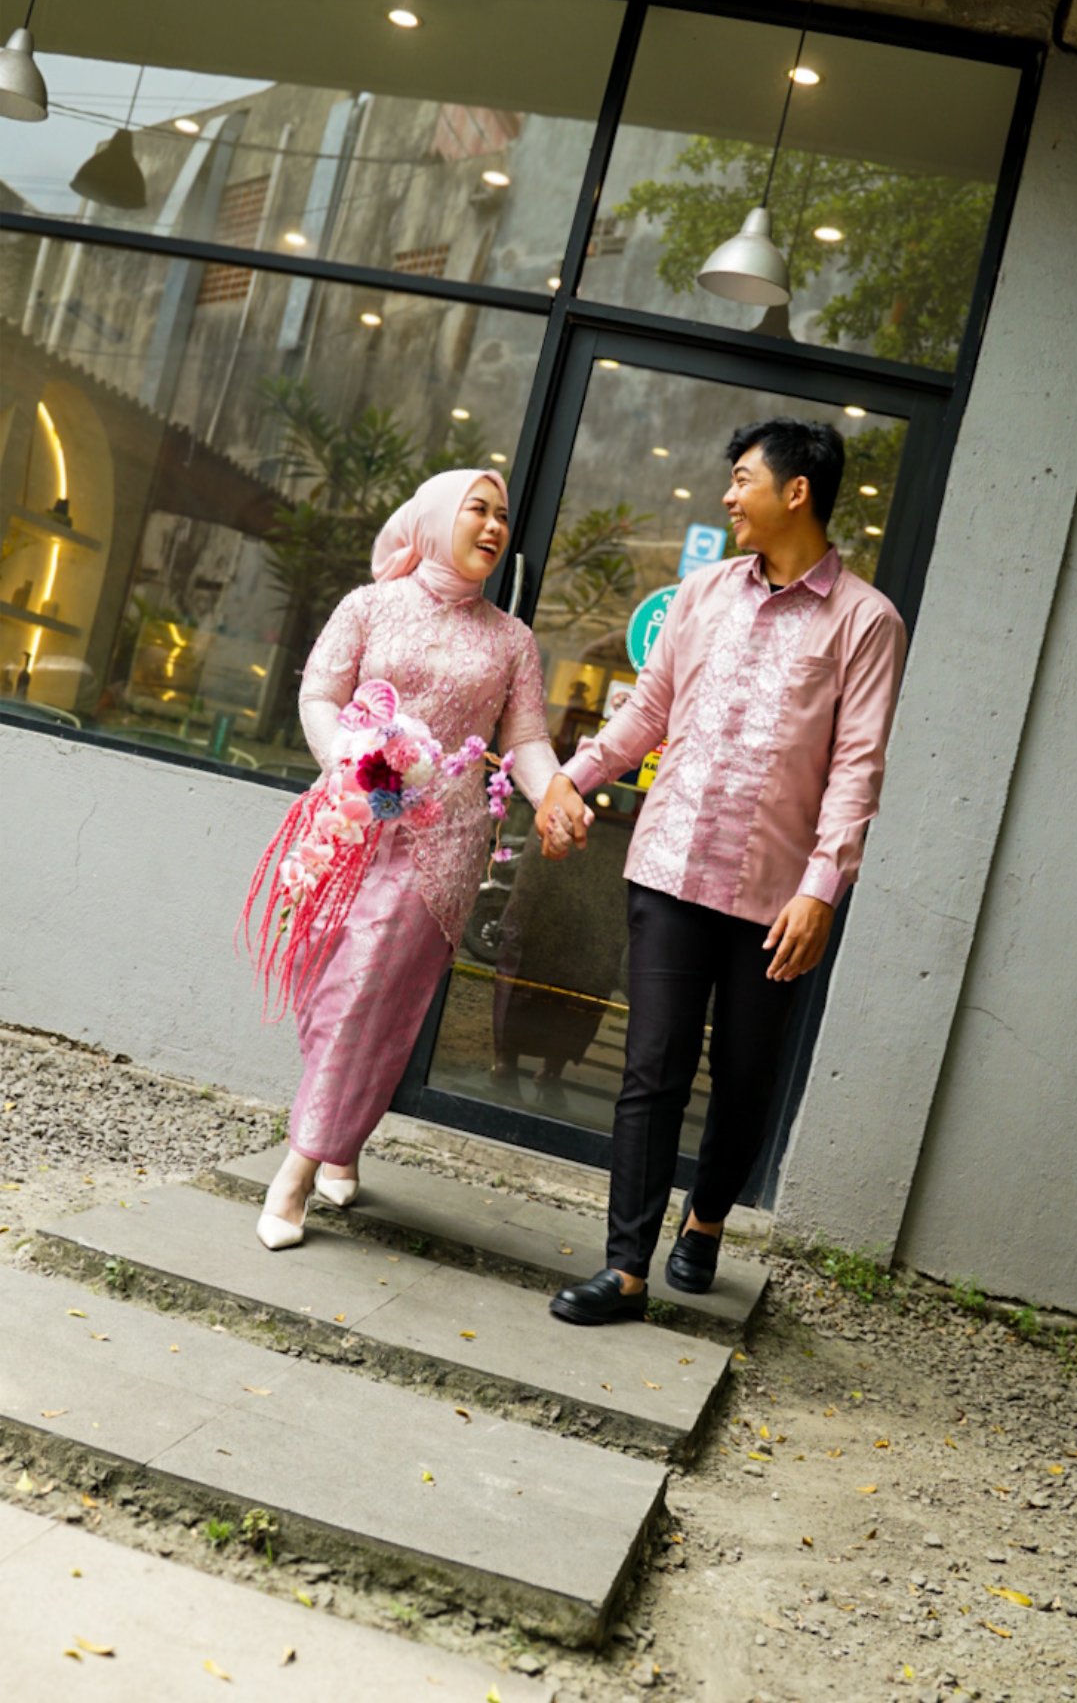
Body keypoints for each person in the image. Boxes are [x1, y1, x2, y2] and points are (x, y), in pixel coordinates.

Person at [535, 418, 907, 1325]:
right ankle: (625, 1270)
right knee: (651, 1066)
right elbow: (646, 713)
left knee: (743, 1076)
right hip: (668, 868)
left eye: (742, 479)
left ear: (795, 491)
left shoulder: (865, 621)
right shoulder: (701, 592)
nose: (728, 496)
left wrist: (822, 889)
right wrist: (569, 779)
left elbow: (857, 767)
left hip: (777, 896)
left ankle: (704, 1221)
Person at [253, 467, 576, 1250]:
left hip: (442, 845)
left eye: (502, 516)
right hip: (348, 824)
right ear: (433, 518)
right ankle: (343, 1138)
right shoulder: (368, 606)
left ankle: (295, 1173)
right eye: (478, 510)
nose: (494, 526)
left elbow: (525, 740)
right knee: (326, 990)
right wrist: (350, 761)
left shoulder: (511, 640)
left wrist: (554, 793)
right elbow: (319, 695)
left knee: (367, 991)